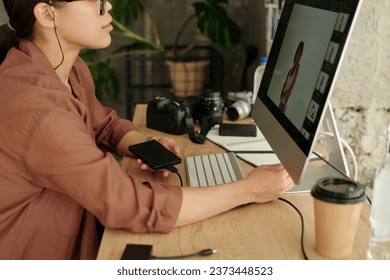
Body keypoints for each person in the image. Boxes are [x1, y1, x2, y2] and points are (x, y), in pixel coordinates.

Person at [0, 0, 294, 260]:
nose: (109, 6)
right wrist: (247, 190)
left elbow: (102, 123)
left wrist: (143, 143)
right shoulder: (38, 109)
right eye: (97, 1)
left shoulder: (67, 68)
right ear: (46, 13)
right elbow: (130, 204)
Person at [279, 41, 304, 112]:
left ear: (300, 57)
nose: (296, 56)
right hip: (282, 99)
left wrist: (284, 95)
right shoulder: (290, 71)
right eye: (296, 54)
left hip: (285, 102)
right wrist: (281, 95)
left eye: (298, 54)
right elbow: (284, 85)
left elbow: (292, 87)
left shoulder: (298, 68)